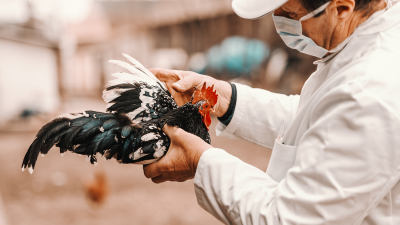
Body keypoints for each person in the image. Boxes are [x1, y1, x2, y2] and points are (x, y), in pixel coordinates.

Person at [143, 0, 400, 224]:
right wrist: (225, 99)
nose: (281, 25)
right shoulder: (362, 44)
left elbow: (290, 219)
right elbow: (320, 119)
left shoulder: (370, 91)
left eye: (290, 15)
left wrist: (199, 161)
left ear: (341, 7)